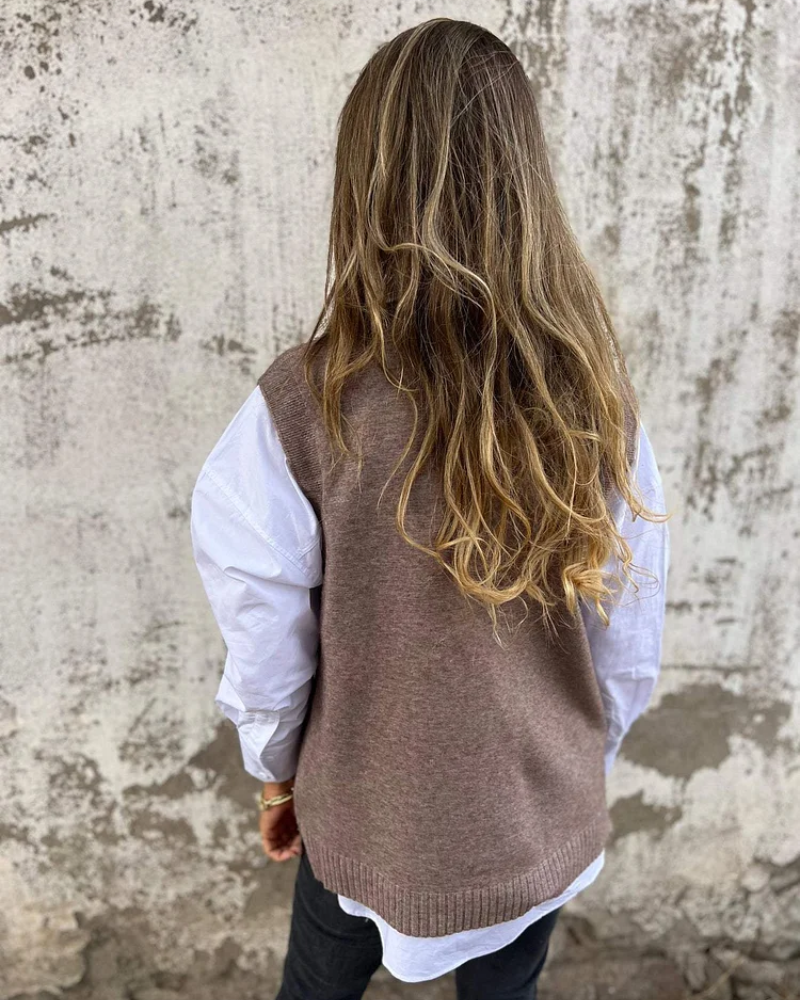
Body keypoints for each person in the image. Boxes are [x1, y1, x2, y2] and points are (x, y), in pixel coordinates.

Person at [190, 16, 672, 999]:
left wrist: (279, 772)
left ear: (363, 186)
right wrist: (573, 761)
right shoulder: (591, 399)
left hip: (365, 818)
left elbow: (265, 637)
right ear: (522, 185)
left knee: (314, 988)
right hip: (531, 823)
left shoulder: (304, 404)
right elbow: (627, 631)